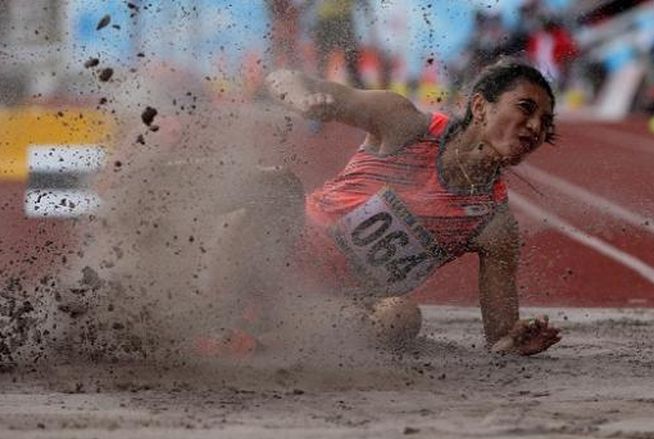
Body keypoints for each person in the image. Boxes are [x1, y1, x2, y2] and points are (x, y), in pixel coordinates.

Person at [198, 58, 562, 358]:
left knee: (401, 317)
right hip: (263, 254)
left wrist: (515, 343)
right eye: (526, 109)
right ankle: (148, 198)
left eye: (545, 123)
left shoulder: (493, 224)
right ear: (481, 106)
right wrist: (303, 100)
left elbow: (499, 336)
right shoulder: (403, 123)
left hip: (314, 308)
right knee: (277, 184)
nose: (534, 127)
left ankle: (248, 350)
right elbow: (283, 75)